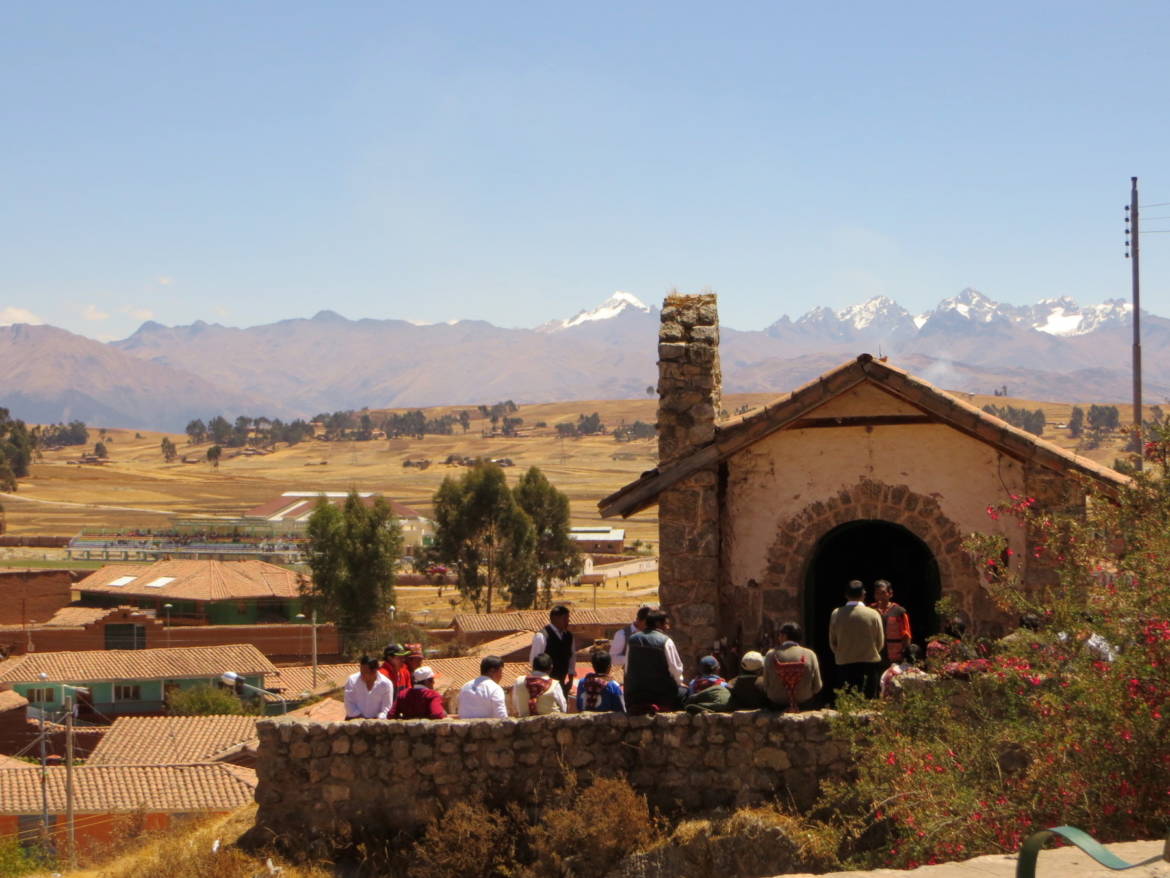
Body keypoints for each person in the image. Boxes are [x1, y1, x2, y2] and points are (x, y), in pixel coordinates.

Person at [829, 581, 884, 699]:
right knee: (868, 705)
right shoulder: (873, 614)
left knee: (847, 702)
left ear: (846, 595)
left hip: (844, 664)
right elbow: (880, 641)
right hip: (869, 664)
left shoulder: (836, 614)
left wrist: (842, 653)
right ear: (863, 594)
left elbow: (833, 641)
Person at [624, 609, 686, 713]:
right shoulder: (666, 641)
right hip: (661, 698)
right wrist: (679, 683)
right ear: (658, 624)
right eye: (666, 624)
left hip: (635, 698)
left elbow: (627, 670)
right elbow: (676, 670)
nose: (668, 627)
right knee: (686, 693)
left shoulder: (632, 640)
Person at [762, 622, 823, 709]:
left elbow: (765, 685)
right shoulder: (810, 654)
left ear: (784, 636)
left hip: (777, 704)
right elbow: (818, 686)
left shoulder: (770, 654)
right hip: (804, 704)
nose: (778, 637)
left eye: (780, 635)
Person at [529, 605, 576, 695]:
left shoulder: (569, 637)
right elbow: (534, 660)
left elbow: (572, 657)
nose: (568, 621)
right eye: (565, 618)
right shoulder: (542, 636)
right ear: (555, 618)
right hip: (544, 684)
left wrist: (570, 679)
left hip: (561, 683)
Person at [872, 579, 912, 664]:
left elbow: (906, 635)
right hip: (875, 656)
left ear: (890, 594)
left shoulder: (899, 611)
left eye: (883, 593)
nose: (880, 596)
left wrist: (906, 655)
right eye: (877, 593)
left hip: (895, 656)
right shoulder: (870, 611)